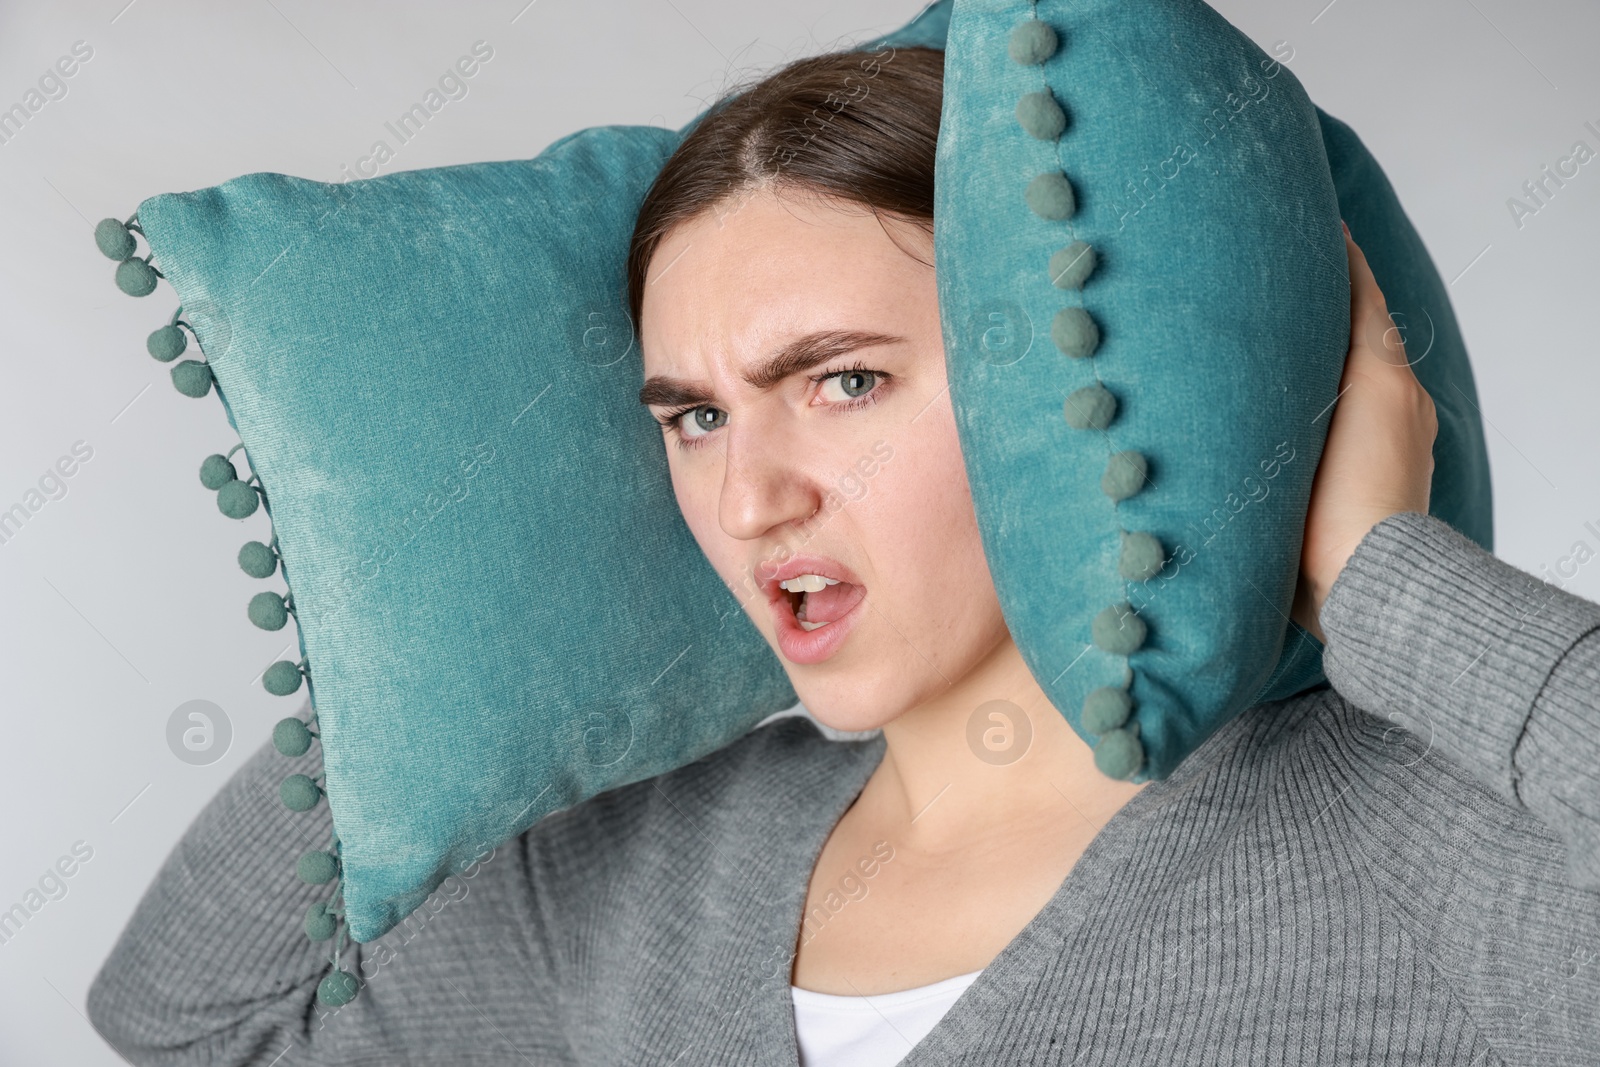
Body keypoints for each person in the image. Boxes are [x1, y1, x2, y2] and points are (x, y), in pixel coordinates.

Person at [88, 46, 1600, 1066]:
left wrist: (1381, 570)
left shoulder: (1412, 835)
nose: (750, 500)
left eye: (843, 381)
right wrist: (421, 642)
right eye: (690, 416)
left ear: (1050, 402)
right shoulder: (654, 869)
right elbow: (202, 1022)